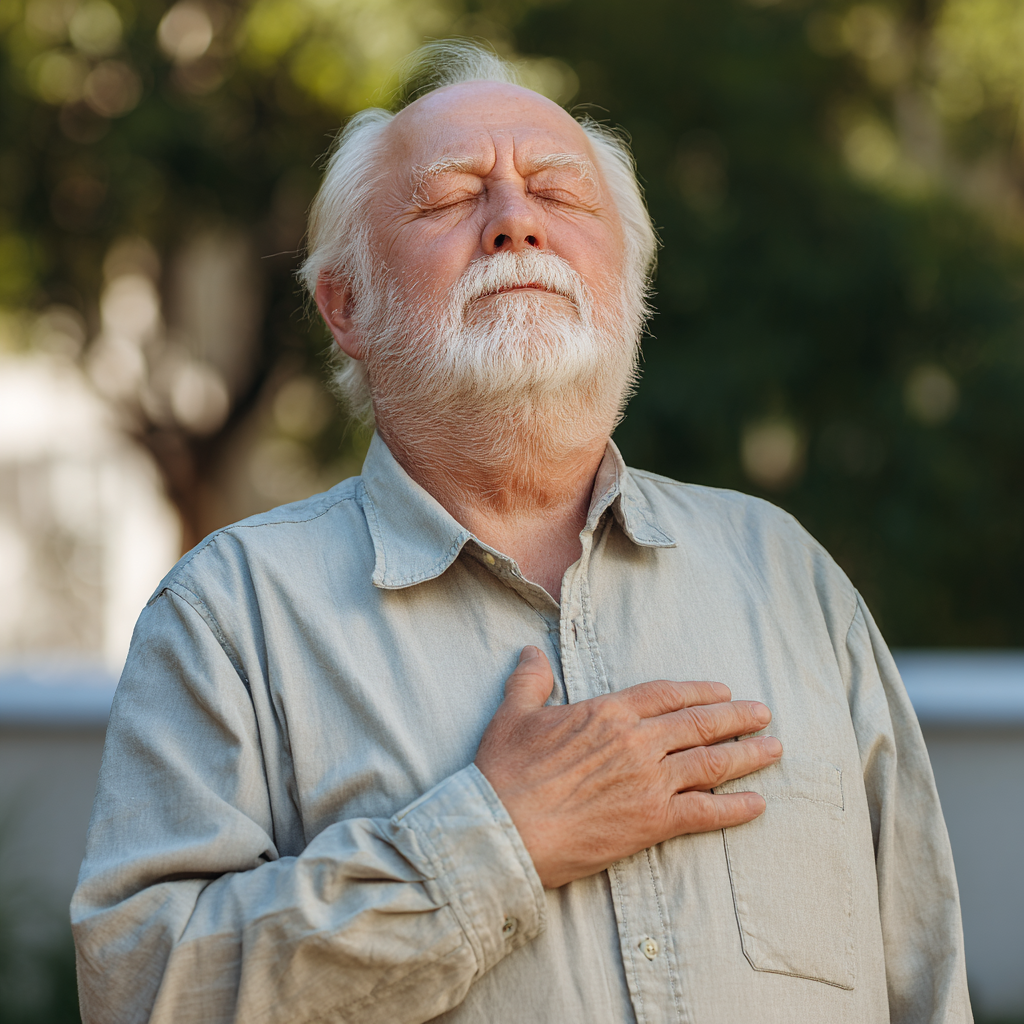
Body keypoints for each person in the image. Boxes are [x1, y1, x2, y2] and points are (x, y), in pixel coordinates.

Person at [72, 43, 972, 1024]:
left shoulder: (787, 574)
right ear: (346, 305)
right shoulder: (229, 616)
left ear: (627, 279)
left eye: (558, 193)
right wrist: (495, 839)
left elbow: (926, 983)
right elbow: (143, 990)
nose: (514, 224)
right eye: (452, 197)